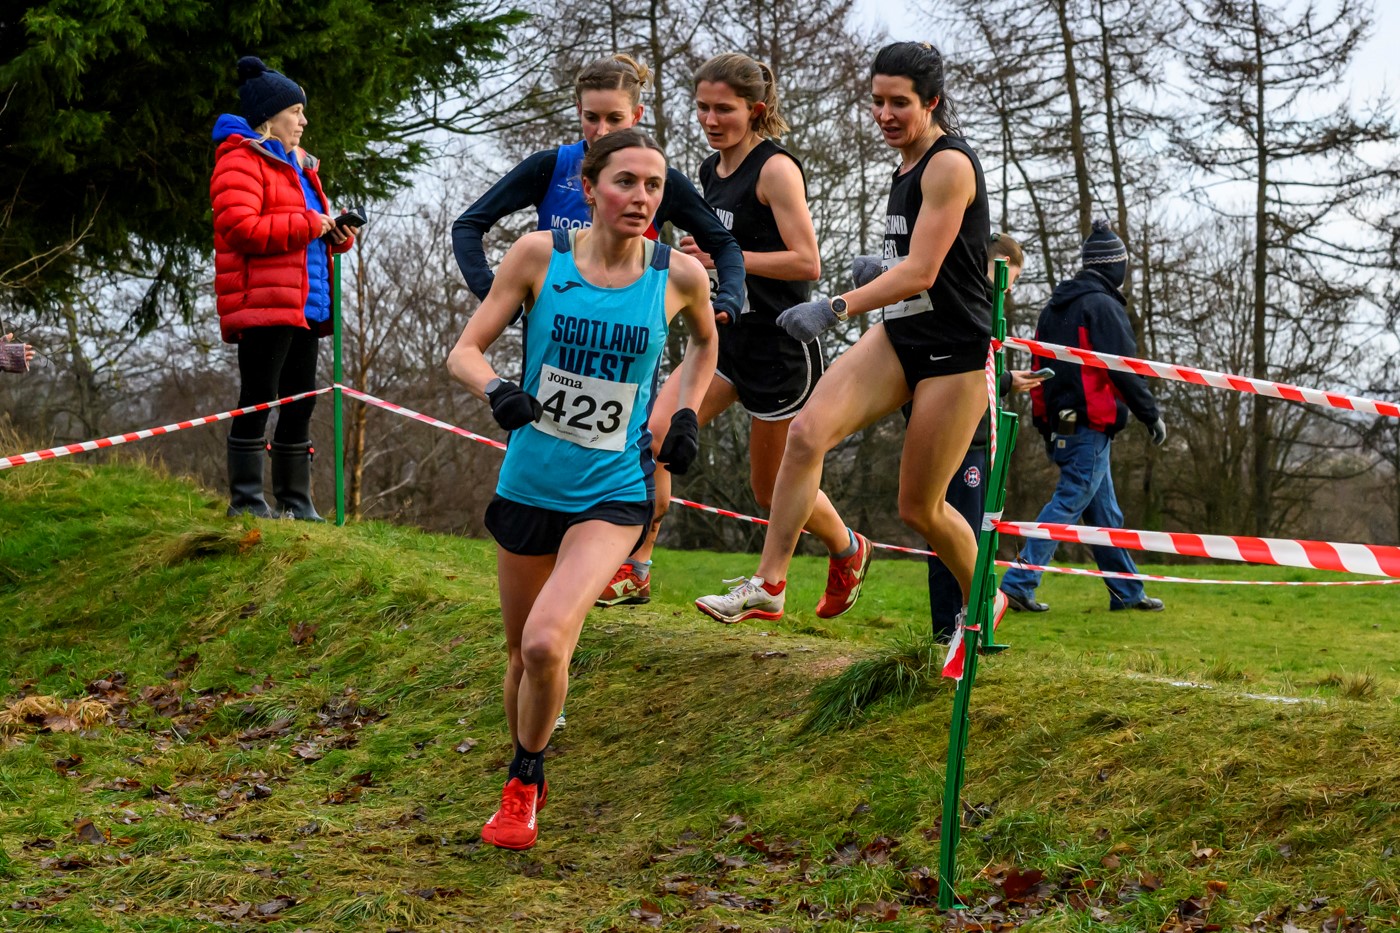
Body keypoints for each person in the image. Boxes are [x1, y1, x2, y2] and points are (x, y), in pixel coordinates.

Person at [445, 130, 717, 851]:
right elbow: (464, 351)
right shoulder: (542, 256)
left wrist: (684, 411)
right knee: (518, 655)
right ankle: (520, 761)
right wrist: (498, 388)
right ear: (590, 187)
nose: (642, 198)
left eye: (654, 186)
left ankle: (526, 778)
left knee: (544, 641)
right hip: (530, 481)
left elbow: (705, 343)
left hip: (612, 490)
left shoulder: (679, 275)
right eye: (626, 182)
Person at [695, 41, 992, 629]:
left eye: (899, 103)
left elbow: (925, 272)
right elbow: (923, 265)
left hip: (954, 353)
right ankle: (770, 584)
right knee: (806, 436)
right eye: (877, 101)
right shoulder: (904, 163)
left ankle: (983, 599)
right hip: (902, 335)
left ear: (931, 102)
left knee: (920, 508)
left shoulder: (949, 163)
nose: (884, 114)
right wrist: (881, 271)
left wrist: (835, 306)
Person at [605, 53, 866, 619]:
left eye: (724, 109)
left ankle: (848, 548)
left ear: (756, 110)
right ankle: (636, 568)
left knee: (771, 493)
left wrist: (731, 258)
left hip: (780, 349)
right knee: (653, 436)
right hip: (724, 343)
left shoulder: (775, 170)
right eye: (702, 107)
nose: (710, 118)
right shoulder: (707, 172)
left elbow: (808, 262)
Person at [451, 53, 744, 325]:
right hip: (551, 339)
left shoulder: (661, 181)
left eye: (614, 118)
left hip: (630, 338)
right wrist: (494, 293)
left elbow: (724, 244)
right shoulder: (551, 168)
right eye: (591, 117)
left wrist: (729, 297)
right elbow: (467, 224)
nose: (601, 131)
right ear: (579, 110)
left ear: (636, 115)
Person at [210, 56, 357, 520]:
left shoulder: (302, 167)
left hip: (306, 304)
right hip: (264, 303)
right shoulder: (239, 160)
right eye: (296, 111)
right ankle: (248, 501)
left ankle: (296, 502)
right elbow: (240, 227)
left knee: (302, 399)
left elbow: (309, 229)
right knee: (259, 394)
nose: (303, 121)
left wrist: (336, 234)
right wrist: (308, 224)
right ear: (270, 118)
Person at [998, 219, 1167, 613]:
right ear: (1113, 267)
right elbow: (1122, 369)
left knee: (1104, 512)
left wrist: (1043, 423)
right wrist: (1150, 414)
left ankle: (1127, 591)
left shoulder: (1054, 309)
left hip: (1062, 424)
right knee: (1067, 503)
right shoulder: (1102, 307)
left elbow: (1039, 369)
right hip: (1090, 426)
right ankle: (1019, 582)